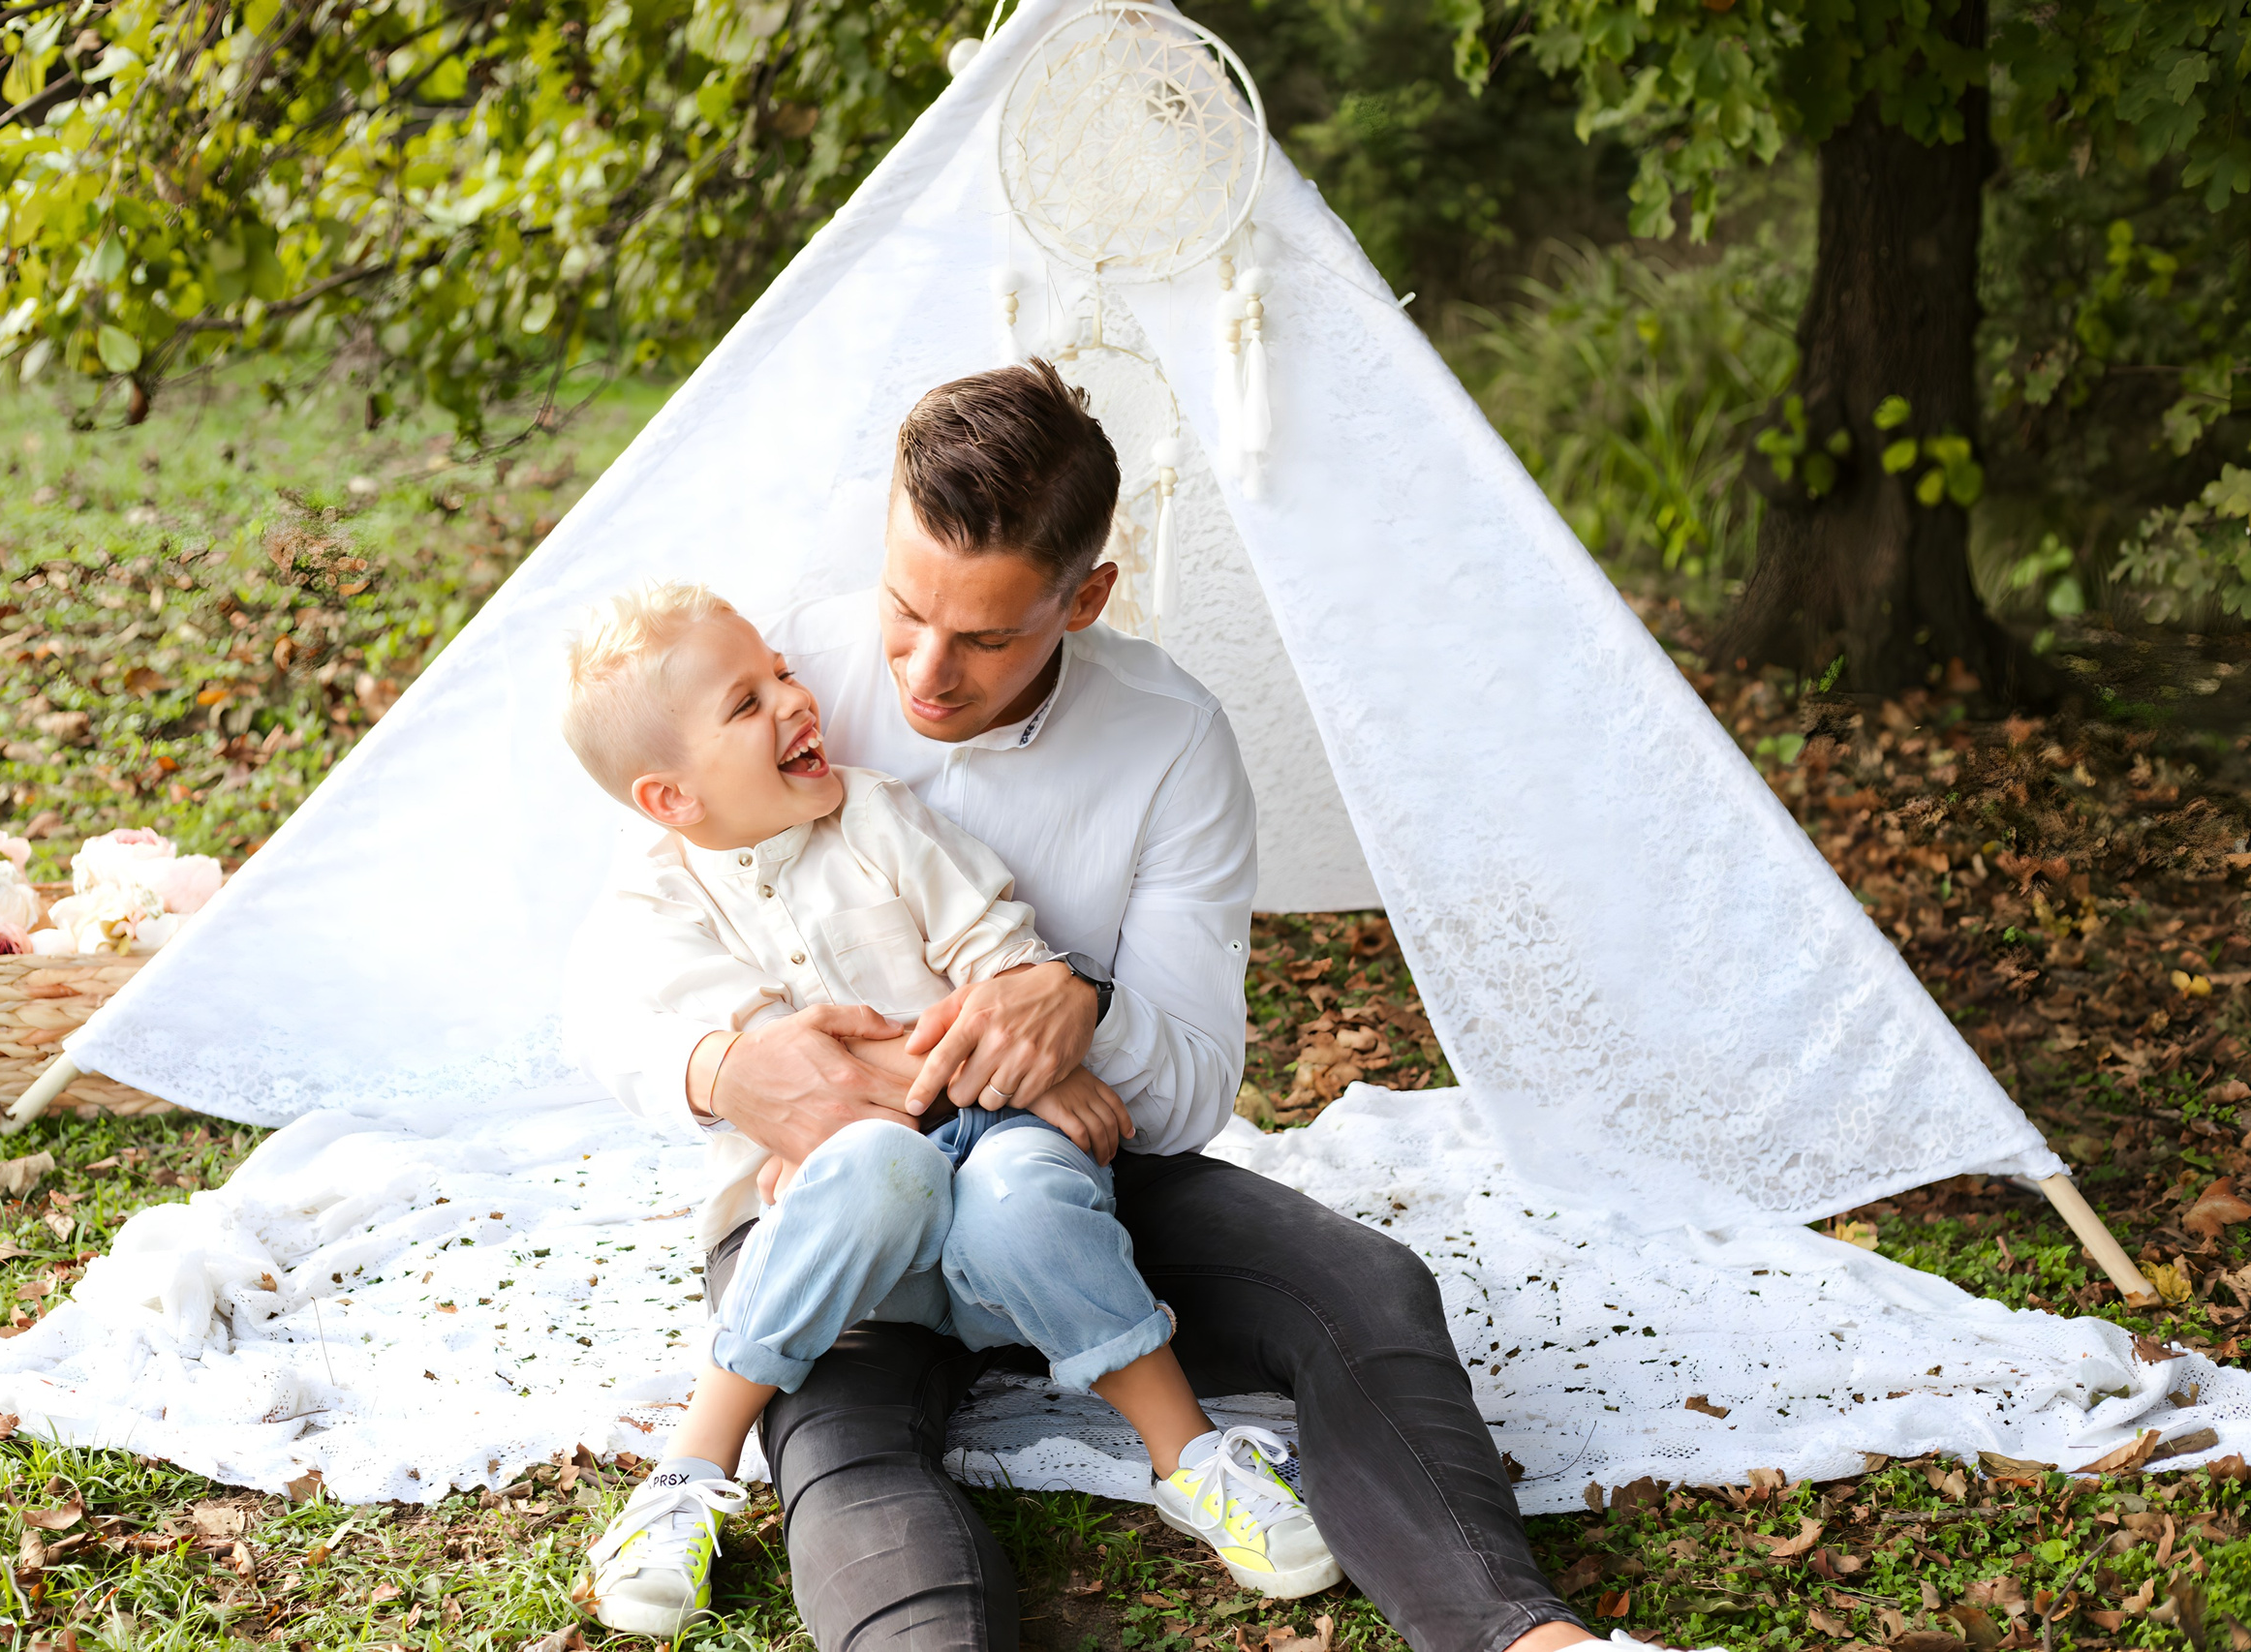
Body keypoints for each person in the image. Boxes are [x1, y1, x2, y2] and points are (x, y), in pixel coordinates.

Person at [594, 359, 1596, 1652]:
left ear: (1088, 598)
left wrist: (1077, 1003)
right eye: (906, 608)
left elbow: (1183, 1090)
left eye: (990, 635)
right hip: (834, 1197)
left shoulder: (1171, 743)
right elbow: (612, 959)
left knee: (1367, 1289)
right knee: (842, 1448)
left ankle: (1520, 1634)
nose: (926, 672)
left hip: (1061, 1179)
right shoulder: (781, 676)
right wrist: (721, 1065)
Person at [563, 585, 1342, 1637]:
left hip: (994, 1173)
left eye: (782, 672)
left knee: (1025, 1187)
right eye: (746, 704)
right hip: (860, 1248)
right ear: (669, 798)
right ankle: (688, 1474)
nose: (796, 701)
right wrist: (869, 1095)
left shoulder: (876, 814)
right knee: (868, 1162)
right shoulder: (654, 909)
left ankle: (1191, 1457)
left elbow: (996, 951)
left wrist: (1029, 1059)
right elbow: (786, 1074)